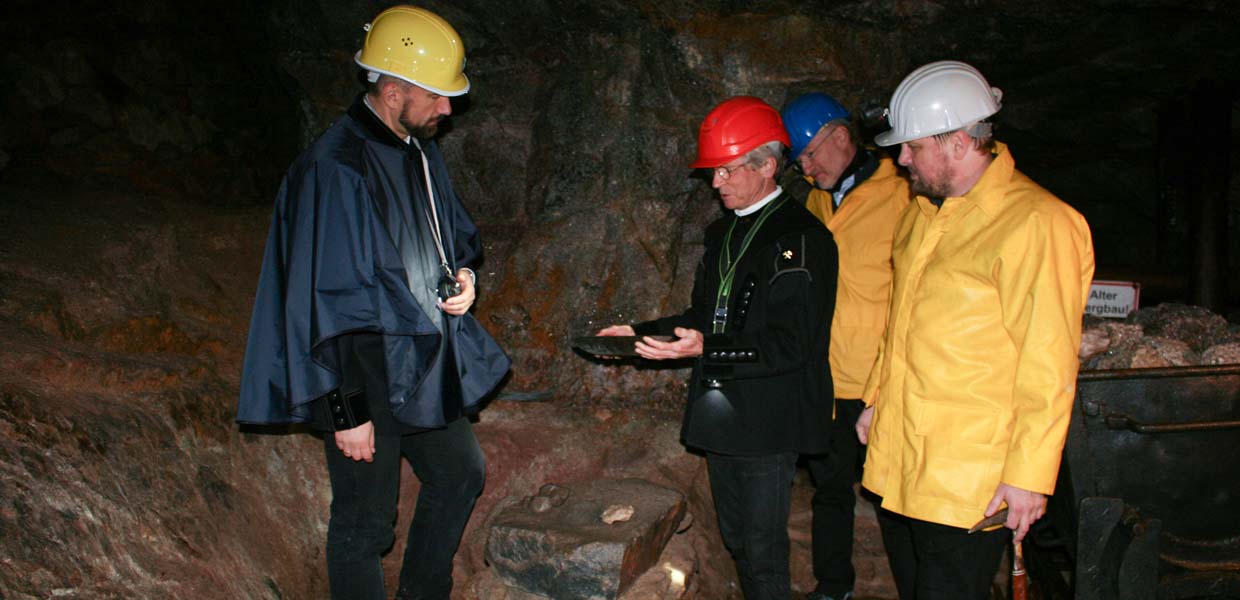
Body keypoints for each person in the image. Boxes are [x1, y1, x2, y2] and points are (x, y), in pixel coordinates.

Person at [235, 6, 510, 599]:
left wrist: (463, 274)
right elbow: (323, 300)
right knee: (364, 525)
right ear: (392, 90)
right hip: (362, 374)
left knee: (460, 472)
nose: (448, 109)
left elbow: (449, 232)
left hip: (418, 362)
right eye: (437, 96)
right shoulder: (335, 169)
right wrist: (345, 409)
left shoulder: (415, 146)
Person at [854, 60, 1094, 599]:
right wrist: (876, 400)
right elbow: (903, 323)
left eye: (913, 146)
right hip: (904, 457)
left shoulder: (1037, 224)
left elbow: (1048, 359)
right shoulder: (925, 213)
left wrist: (1030, 478)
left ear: (960, 142)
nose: (900, 158)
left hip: (969, 479)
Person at [597, 96, 838, 600]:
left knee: (763, 547)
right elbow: (702, 319)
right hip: (725, 410)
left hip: (768, 418)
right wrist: (638, 332)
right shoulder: (723, 232)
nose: (715, 183)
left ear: (767, 166)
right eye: (714, 172)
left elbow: (792, 345)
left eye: (726, 171)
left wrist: (706, 348)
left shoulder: (800, 237)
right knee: (737, 539)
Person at [781, 92, 910, 600]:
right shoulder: (816, 199)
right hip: (827, 378)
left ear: (840, 137)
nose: (806, 168)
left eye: (811, 154)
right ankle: (833, 587)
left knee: (893, 497)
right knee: (829, 492)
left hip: (882, 379)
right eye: (799, 161)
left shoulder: (903, 193)